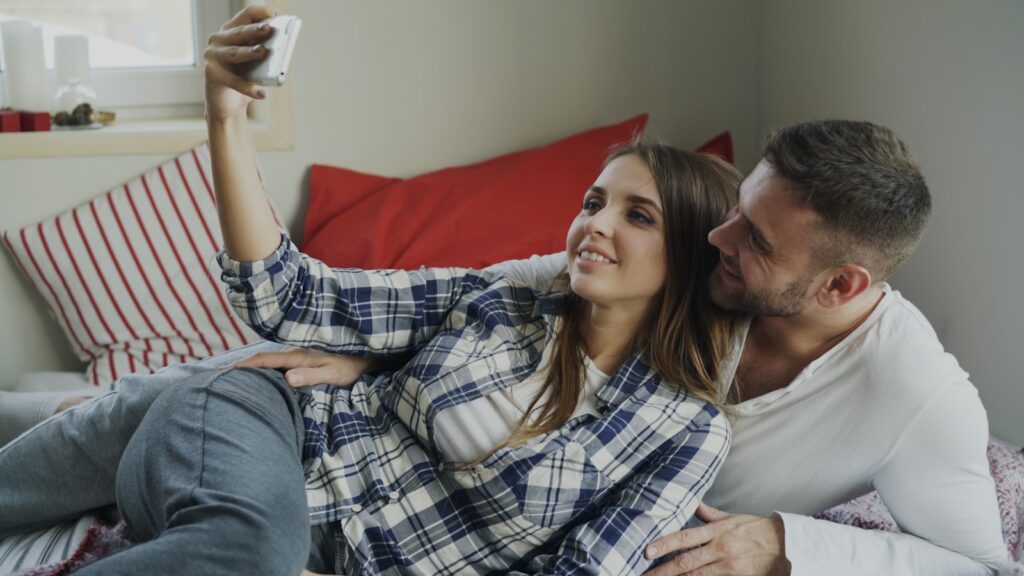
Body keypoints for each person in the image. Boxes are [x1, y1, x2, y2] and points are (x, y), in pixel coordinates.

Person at [0, 8, 745, 575]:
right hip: (269, 427)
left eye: (636, 215)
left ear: (689, 254)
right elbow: (294, 300)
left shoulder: (684, 430)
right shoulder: (506, 297)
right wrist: (226, 117)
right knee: (250, 546)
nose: (595, 226)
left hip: (310, 530)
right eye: (593, 202)